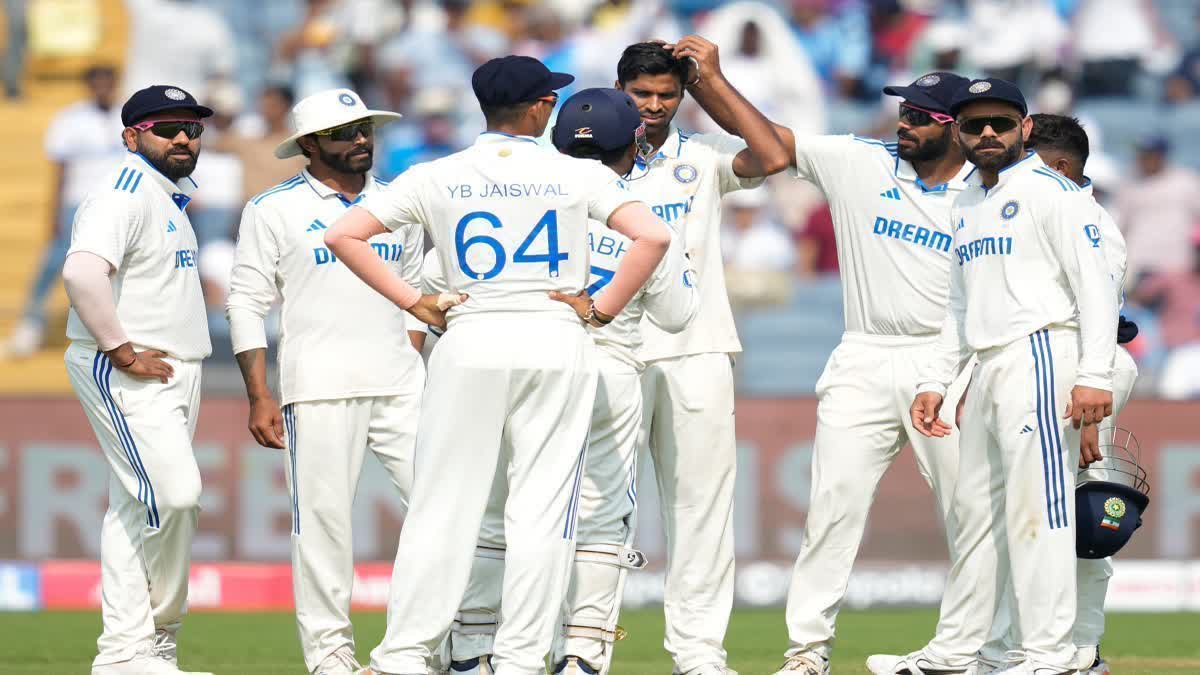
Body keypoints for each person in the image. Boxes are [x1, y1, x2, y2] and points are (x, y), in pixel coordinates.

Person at [324, 55, 671, 675]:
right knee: (542, 512)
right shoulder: (572, 174)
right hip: (553, 338)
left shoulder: (439, 173)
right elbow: (654, 237)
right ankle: (518, 660)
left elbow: (343, 235)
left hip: (470, 334)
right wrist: (600, 309)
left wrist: (414, 301)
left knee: (442, 506)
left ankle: (403, 655)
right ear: (540, 109)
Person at [714, 71, 974, 675]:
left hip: (953, 361)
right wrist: (711, 77)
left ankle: (973, 648)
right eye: (904, 112)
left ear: (955, 126)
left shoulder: (988, 190)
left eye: (920, 116)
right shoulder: (860, 160)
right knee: (831, 507)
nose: (904, 124)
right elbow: (769, 141)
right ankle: (807, 652)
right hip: (864, 352)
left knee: (971, 516)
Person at [439, 87, 699, 675]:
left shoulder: (509, 200)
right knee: (600, 515)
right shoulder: (644, 216)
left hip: (509, 356)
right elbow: (679, 315)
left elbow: (443, 283)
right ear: (634, 142)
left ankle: (474, 643)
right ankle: (582, 652)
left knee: (495, 507)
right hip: (606, 366)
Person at [900, 78, 1117, 675]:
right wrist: (935, 380)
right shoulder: (966, 200)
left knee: (1042, 512)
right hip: (989, 364)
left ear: (1025, 129)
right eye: (974, 126)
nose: (986, 134)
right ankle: (956, 653)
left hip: (1043, 352)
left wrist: (1094, 375)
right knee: (977, 516)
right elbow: (957, 306)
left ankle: (1049, 655)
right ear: (959, 133)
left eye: (999, 122)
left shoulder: (1052, 192)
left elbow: (1096, 289)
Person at [225, 88, 424, 675]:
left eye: (365, 129)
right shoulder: (273, 209)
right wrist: (260, 392)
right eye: (345, 133)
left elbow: (415, 294)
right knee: (323, 528)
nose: (361, 141)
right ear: (310, 145)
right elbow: (245, 302)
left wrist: (404, 356)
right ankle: (330, 655)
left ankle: (423, 645)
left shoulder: (400, 202)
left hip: (403, 385)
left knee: (443, 513)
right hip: (317, 386)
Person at [613, 39, 791, 675]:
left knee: (702, 509)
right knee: (600, 505)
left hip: (699, 345)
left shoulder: (703, 157)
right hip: (614, 349)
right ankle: (585, 644)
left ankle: (698, 653)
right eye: (643, 95)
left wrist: (713, 78)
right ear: (619, 89)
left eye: (668, 94)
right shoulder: (582, 156)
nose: (656, 106)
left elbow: (773, 154)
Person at [965, 113, 1139, 675]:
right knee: (1036, 511)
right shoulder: (1033, 206)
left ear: (1058, 165)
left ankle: (1077, 650)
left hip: (1087, 375)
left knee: (1084, 517)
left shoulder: (1083, 214)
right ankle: (1017, 647)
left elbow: (1102, 317)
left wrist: (1090, 410)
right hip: (1063, 373)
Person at [61, 85, 215, 675]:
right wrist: (121, 351)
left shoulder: (166, 194)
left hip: (175, 366)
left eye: (192, 128)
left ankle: (126, 657)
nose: (183, 138)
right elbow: (81, 272)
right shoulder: (124, 192)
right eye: (166, 128)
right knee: (175, 496)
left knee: (132, 508)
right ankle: (158, 634)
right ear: (132, 136)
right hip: (131, 368)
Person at [4, 65, 124, 358]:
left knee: (116, 269)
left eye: (108, 82)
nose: (104, 88)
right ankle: (29, 327)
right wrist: (54, 214)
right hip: (77, 204)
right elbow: (60, 171)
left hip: (117, 206)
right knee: (54, 262)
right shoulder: (70, 119)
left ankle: (112, 333)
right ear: (89, 86)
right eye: (98, 83)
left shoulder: (128, 117)